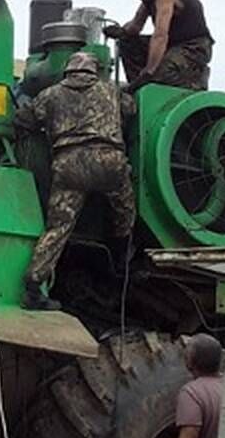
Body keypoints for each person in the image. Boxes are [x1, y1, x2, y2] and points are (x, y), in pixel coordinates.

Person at [15, 52, 137, 311]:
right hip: (108, 161)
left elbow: (26, 119)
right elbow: (132, 109)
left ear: (68, 71)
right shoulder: (110, 90)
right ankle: (123, 254)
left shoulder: (51, 94)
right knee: (125, 208)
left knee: (58, 228)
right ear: (94, 70)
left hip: (70, 164)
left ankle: (34, 286)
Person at [104, 0, 214, 91]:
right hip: (172, 45)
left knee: (159, 73)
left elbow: (160, 35)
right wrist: (121, 32)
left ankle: (194, 82)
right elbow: (135, 26)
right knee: (128, 43)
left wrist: (149, 70)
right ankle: (137, 89)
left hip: (195, 46)